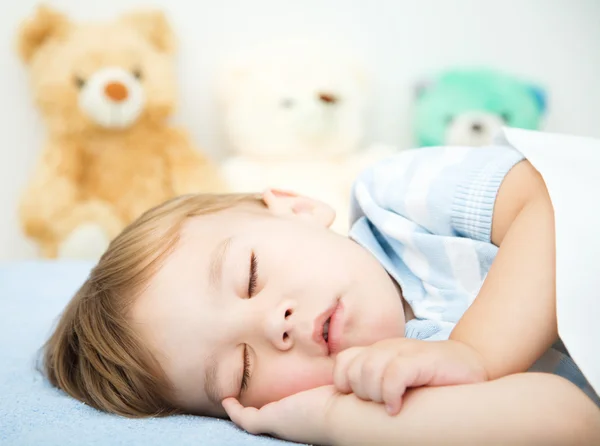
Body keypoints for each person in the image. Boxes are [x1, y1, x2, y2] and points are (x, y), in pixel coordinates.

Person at [42, 128, 600, 445]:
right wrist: (331, 419)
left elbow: (556, 198)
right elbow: (570, 422)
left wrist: (474, 352)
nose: (273, 325)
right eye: (243, 369)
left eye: (251, 275)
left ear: (297, 207)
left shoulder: (398, 202)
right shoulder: (381, 396)